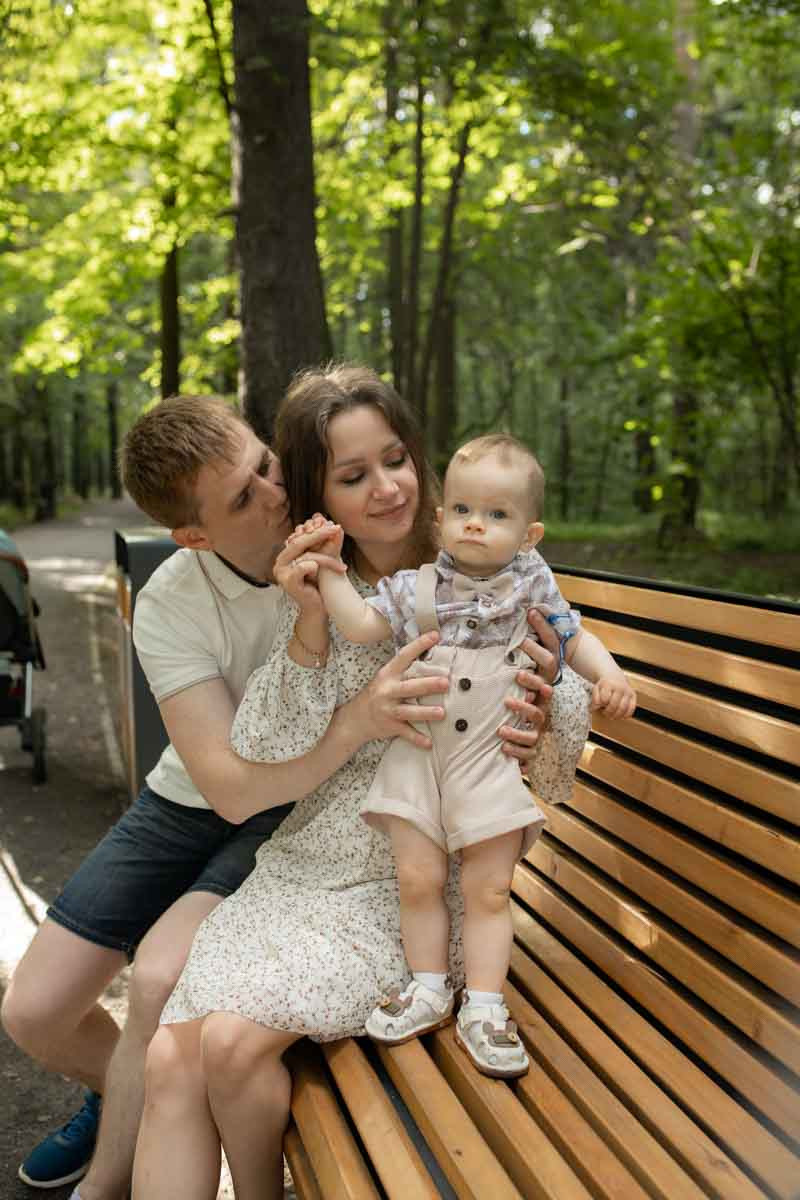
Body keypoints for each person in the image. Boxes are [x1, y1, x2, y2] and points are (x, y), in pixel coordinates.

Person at [131, 364, 592, 1200]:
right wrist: (310, 623)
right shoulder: (324, 592)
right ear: (320, 497)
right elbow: (264, 751)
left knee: (228, 1046)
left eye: (396, 460)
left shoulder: (484, 577)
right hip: (306, 873)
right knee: (172, 1056)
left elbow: (556, 768)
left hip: (417, 886)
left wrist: (545, 706)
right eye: (353, 476)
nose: (387, 489)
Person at [1, 394, 466, 1199]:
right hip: (195, 800)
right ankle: (120, 1090)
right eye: (243, 497)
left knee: (156, 983)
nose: (276, 495)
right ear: (194, 534)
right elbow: (225, 783)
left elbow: (422, 533)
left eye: (267, 466)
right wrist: (350, 727)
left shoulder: (342, 533)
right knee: (32, 1012)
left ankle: (102, 1182)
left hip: (300, 815)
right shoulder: (175, 598)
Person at [309, 431, 635, 1077]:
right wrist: (325, 570)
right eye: (462, 511)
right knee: (419, 879)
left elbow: (574, 635)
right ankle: (428, 987)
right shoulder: (415, 588)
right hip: (417, 755)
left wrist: (610, 675)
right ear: (441, 517)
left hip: (487, 760)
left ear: (530, 533)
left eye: (496, 515)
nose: (476, 526)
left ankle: (484, 1006)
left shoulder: (533, 589)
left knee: (489, 889)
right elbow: (359, 624)